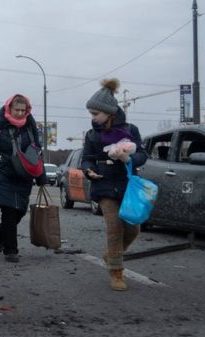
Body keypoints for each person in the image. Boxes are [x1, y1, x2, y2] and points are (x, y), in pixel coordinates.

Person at [81, 78, 147, 291]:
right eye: (91, 114)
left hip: (127, 183)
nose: (92, 118)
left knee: (134, 228)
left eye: (95, 114)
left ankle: (111, 255)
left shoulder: (131, 130)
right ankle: (116, 272)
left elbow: (143, 155)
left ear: (109, 112)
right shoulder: (92, 135)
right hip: (103, 185)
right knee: (114, 227)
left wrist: (129, 159)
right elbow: (87, 158)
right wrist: (89, 171)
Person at [0, 94, 46, 263]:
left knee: (20, 211)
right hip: (2, 175)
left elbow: (37, 153)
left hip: (23, 176)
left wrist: (41, 176)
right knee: (9, 210)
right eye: (17, 110)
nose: (20, 113)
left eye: (24, 110)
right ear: (9, 109)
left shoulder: (30, 127)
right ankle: (11, 250)